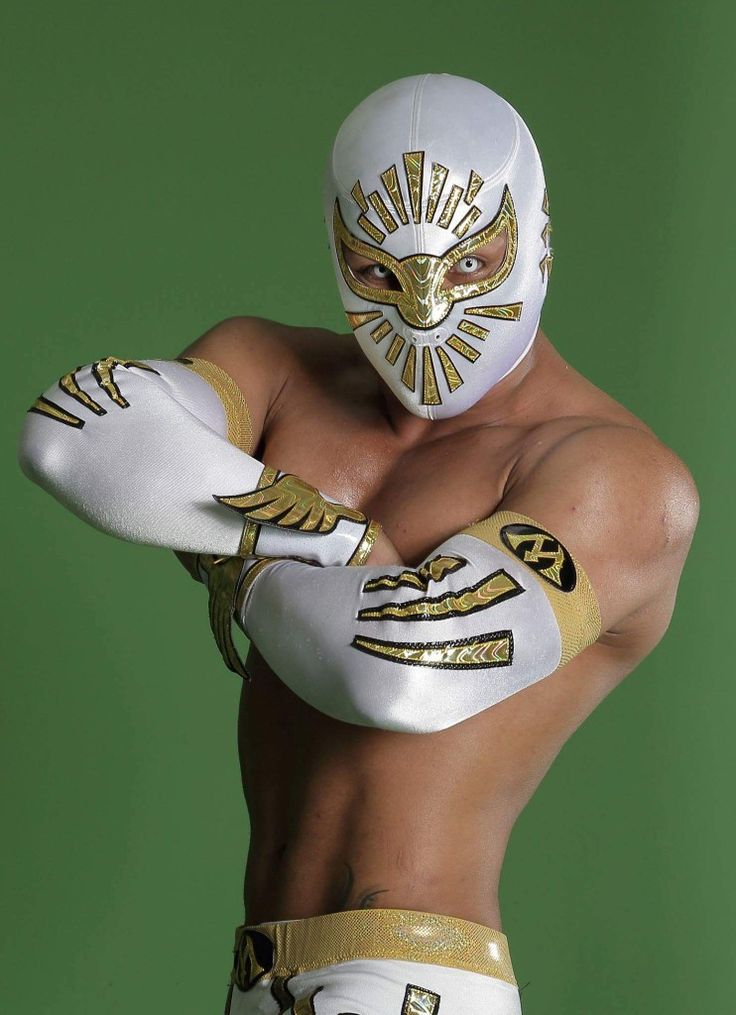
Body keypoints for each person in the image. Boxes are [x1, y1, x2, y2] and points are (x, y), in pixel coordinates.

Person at [18, 74, 699, 1014]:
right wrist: (337, 544)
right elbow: (74, 433)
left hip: (412, 975)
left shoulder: (620, 477)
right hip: (257, 971)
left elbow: (399, 670)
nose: (424, 312)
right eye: (380, 273)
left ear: (536, 234)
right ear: (338, 245)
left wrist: (227, 538)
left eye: (470, 264)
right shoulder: (278, 370)